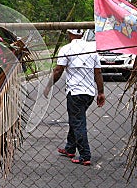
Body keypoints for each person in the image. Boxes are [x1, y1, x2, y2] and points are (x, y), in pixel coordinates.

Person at [44, 29, 105, 166]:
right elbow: (98, 71)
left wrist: (48, 86)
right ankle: (70, 148)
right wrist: (101, 92)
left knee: (78, 122)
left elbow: (58, 70)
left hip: (75, 92)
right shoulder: (92, 48)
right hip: (89, 93)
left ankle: (85, 155)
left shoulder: (67, 48)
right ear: (82, 34)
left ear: (69, 34)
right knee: (76, 118)